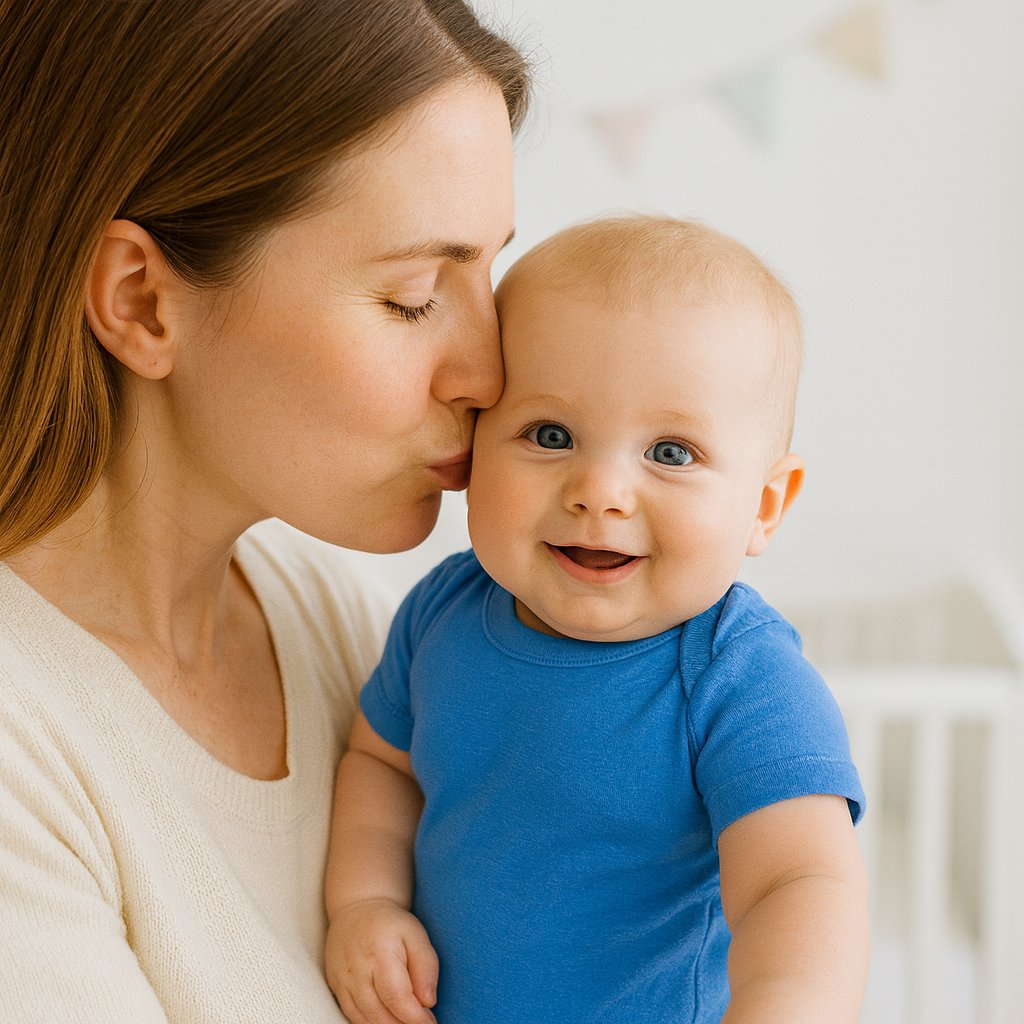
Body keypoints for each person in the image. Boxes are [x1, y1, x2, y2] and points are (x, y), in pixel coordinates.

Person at [0, 2, 530, 1021]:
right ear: (142, 301)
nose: (491, 369)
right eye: (416, 295)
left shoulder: (326, 613)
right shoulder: (26, 752)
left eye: (490, 273)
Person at [324, 215, 870, 1024]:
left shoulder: (739, 677)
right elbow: (382, 766)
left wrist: (783, 1005)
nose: (600, 490)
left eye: (672, 453)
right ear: (476, 449)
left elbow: (799, 883)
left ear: (762, 506)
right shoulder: (443, 611)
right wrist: (364, 902)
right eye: (551, 435)